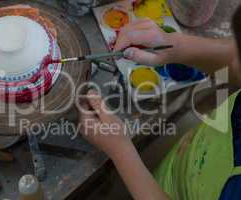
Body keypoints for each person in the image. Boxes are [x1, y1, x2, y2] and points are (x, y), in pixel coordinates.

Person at [77, 6, 241, 200]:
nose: (233, 61)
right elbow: (232, 57)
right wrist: (174, 45)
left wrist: (120, 149)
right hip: (185, 163)